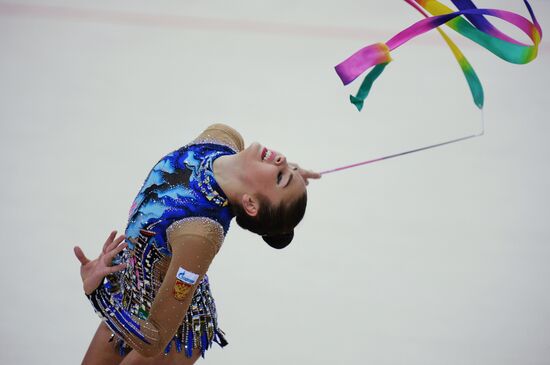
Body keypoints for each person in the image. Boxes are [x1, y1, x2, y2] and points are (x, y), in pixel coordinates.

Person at [74, 124, 320, 365]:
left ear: (251, 205)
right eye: (288, 167)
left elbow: (155, 339)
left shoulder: (199, 233)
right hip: (131, 300)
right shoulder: (223, 137)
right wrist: (289, 176)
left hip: (176, 335)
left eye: (281, 177)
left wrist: (97, 294)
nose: (283, 160)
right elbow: (264, 186)